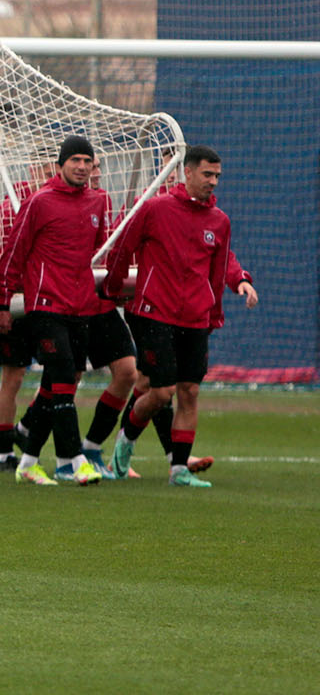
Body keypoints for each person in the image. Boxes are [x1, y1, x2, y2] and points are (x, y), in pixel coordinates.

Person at [104, 145, 257, 487]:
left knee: (189, 391)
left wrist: (236, 286)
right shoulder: (155, 208)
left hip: (195, 318)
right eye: (207, 174)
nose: (213, 182)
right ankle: (124, 445)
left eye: (217, 175)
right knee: (161, 392)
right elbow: (122, 247)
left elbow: (220, 267)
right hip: (153, 313)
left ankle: (179, 471)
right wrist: (112, 287)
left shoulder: (219, 221)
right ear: (187, 172)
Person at [0, 136, 108, 485]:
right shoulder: (39, 201)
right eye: (76, 160)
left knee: (57, 384)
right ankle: (75, 459)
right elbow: (14, 252)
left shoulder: (98, 203)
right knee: (64, 380)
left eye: (88, 160)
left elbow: (96, 249)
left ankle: (27, 461)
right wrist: (2, 302)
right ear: (61, 164)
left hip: (81, 306)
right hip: (45, 305)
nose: (82, 166)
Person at [0, 159, 50, 471]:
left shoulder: (65, 203)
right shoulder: (8, 208)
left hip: (50, 303)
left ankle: (25, 427)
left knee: (65, 372)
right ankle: (4, 452)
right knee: (12, 376)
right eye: (46, 169)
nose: (50, 175)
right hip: (15, 303)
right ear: (33, 170)